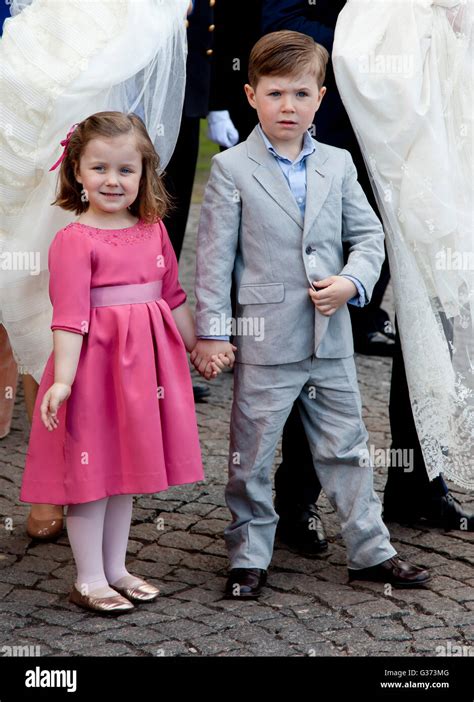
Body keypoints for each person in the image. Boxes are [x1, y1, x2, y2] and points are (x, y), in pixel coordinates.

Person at [191, 31, 431, 599]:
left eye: (301, 94)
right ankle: (248, 554)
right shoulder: (231, 170)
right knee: (251, 451)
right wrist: (211, 333)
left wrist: (351, 282)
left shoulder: (339, 164)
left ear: (320, 97)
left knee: (348, 446)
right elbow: (212, 261)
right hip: (266, 338)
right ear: (251, 95)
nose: (288, 106)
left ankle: (372, 551)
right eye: (275, 94)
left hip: (330, 338)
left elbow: (369, 237)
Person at [20, 111, 227, 614]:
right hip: (93, 373)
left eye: (125, 170)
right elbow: (68, 318)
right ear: (77, 173)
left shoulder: (153, 230)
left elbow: (173, 297)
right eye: (99, 169)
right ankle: (88, 578)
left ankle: (116, 569)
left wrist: (198, 344)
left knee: (126, 472)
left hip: (145, 375)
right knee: (92, 476)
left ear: (144, 174)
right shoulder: (74, 240)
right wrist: (63, 381)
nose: (112, 181)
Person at [0, 0, 189, 541]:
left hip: (96, 132)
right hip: (25, 127)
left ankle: (81, 478)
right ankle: (52, 484)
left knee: (61, 307)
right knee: (39, 303)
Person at [333, 1, 474, 511]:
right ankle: (294, 497)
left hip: (446, 174)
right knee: (332, 328)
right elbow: (355, 66)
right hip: (380, 168)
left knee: (434, 322)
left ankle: (416, 480)